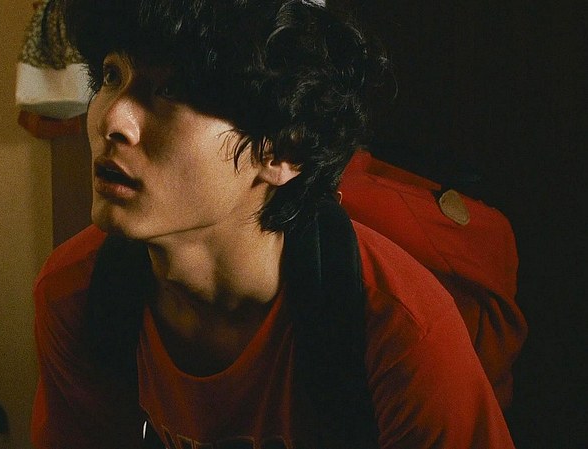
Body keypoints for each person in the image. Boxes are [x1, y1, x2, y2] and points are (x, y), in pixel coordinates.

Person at [30, 0, 515, 447]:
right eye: (111, 75)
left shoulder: (401, 333)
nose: (112, 119)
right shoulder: (78, 293)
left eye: (171, 89)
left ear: (283, 150)